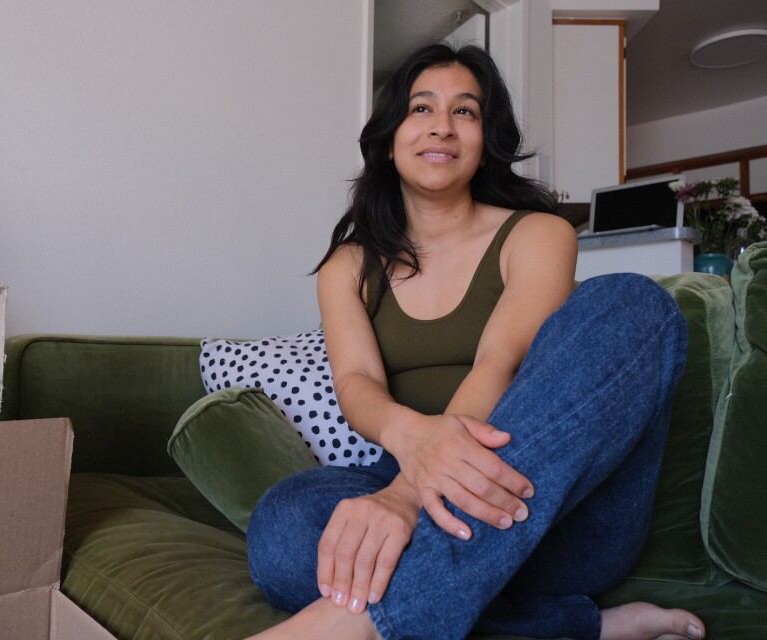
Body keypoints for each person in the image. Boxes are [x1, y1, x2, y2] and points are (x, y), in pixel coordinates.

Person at [245, 44, 706, 640]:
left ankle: (361, 621)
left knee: (635, 305)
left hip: (543, 504)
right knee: (283, 529)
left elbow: (500, 361)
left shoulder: (538, 234)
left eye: (465, 111)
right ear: (390, 138)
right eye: (421, 108)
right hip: (416, 493)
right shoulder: (350, 265)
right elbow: (356, 385)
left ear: (486, 140)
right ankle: (579, 626)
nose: (442, 125)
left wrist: (412, 495)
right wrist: (411, 457)